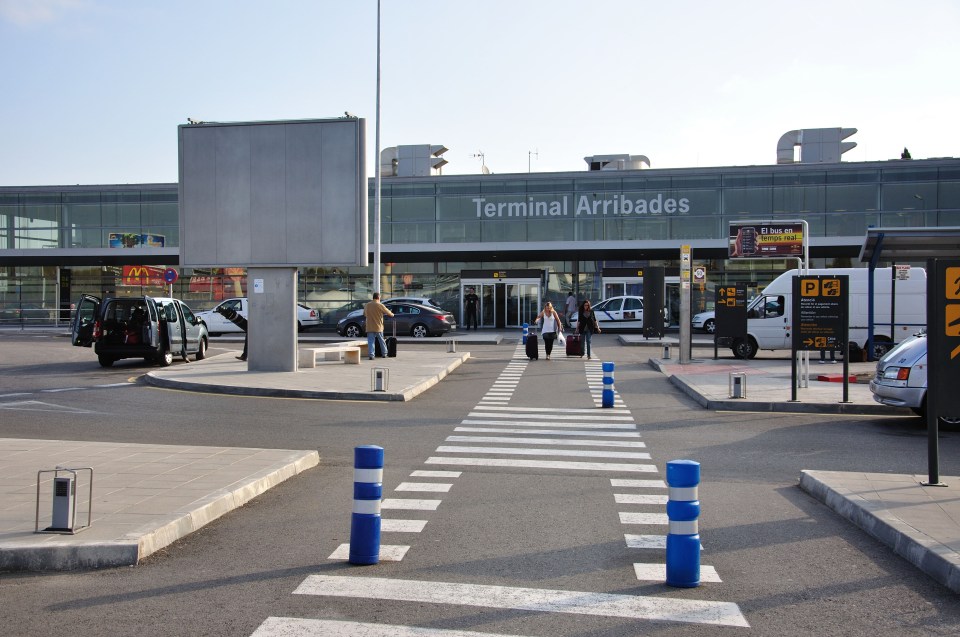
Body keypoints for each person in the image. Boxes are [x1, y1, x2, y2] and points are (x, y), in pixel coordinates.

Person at [364, 292, 394, 360]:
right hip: (378, 327)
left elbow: (365, 314)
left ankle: (371, 355)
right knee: (381, 340)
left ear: (373, 297)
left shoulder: (367, 305)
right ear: (378, 297)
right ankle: (384, 354)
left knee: (371, 341)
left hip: (369, 326)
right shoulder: (380, 305)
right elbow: (389, 313)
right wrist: (393, 314)